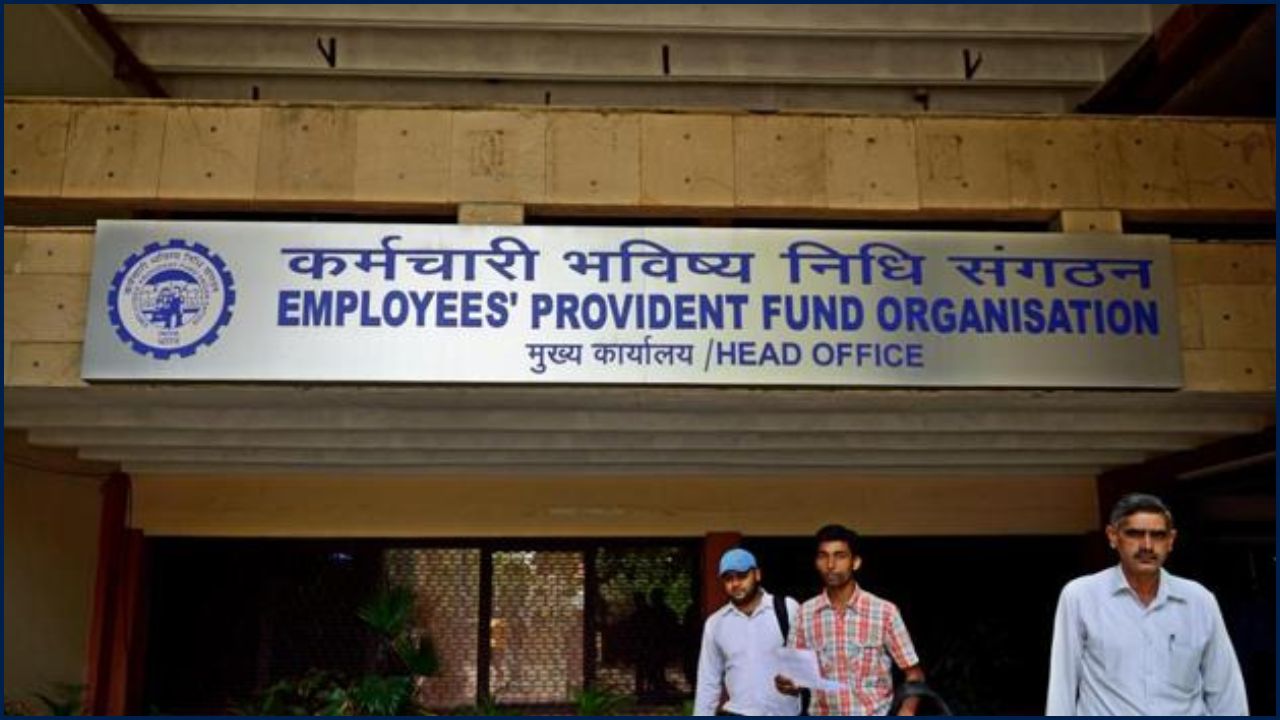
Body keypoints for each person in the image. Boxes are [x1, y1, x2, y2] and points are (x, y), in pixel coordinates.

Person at [1046, 493, 1248, 715]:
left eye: (1158, 535)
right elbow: (1062, 683)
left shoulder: (1198, 600)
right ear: (1113, 536)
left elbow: (1225, 687)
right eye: (1134, 534)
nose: (1147, 545)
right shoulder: (1081, 596)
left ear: (1171, 540)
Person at [776, 524, 924, 716]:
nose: (830, 564)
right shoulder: (805, 614)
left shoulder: (885, 611)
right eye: (823, 556)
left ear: (855, 562)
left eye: (840, 556)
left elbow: (914, 674)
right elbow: (795, 678)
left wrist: (907, 710)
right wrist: (787, 683)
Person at [694, 548, 802, 716]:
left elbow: (810, 661)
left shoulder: (787, 608)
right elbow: (708, 682)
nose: (735, 583)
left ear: (757, 575)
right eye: (728, 578)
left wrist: (800, 683)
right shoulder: (716, 623)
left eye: (742, 576)